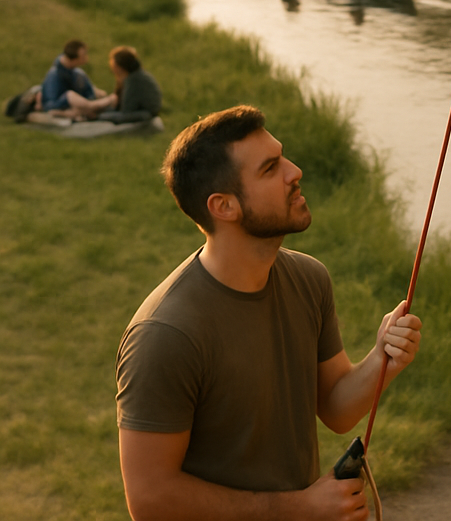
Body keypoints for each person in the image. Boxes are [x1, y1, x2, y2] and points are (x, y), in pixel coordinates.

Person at [116, 105, 422, 521]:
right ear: (224, 206)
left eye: (283, 157)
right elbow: (151, 499)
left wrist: (383, 359)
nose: (294, 172)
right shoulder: (165, 334)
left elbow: (336, 407)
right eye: (270, 168)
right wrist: (301, 507)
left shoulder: (309, 279)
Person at [37, 39, 117, 119]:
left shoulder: (75, 71)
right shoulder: (55, 74)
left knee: (100, 93)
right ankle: (92, 106)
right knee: (70, 95)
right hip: (55, 105)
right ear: (73, 59)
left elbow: (86, 89)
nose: (86, 59)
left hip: (72, 104)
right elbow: (51, 101)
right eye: (83, 56)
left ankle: (94, 107)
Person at [98, 46, 163, 124]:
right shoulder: (136, 75)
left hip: (144, 113)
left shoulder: (134, 80)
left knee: (103, 116)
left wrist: (100, 116)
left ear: (120, 67)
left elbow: (127, 110)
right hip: (141, 111)